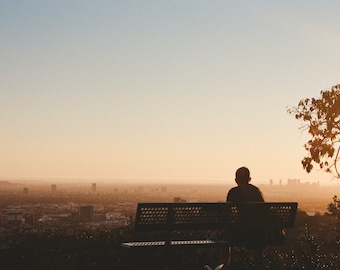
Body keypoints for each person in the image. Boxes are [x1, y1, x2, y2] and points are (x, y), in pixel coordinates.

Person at [219, 167, 265, 269]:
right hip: (258, 235)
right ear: (249, 179)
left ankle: (224, 266)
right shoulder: (256, 192)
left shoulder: (233, 192)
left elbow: (227, 214)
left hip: (242, 234)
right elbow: (263, 213)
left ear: (236, 180)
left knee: (223, 236)